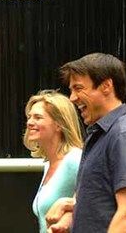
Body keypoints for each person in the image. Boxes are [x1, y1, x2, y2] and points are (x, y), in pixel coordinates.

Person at [47, 53, 126, 232]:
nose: (72, 98)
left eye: (78, 88)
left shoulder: (124, 135)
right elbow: (100, 199)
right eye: (71, 90)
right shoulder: (102, 134)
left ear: (106, 86)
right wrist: (69, 218)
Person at [23, 90, 83, 233]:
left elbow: (97, 202)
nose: (30, 122)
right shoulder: (48, 164)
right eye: (29, 117)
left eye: (38, 117)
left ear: (59, 124)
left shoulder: (75, 159)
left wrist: (67, 204)